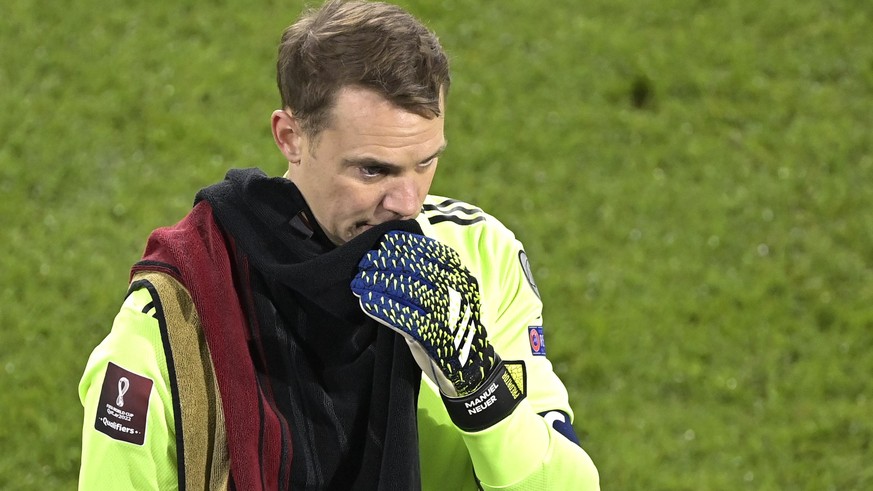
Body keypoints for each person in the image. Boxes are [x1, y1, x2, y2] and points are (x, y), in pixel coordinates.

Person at [77, 0, 600, 489]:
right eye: (374, 169)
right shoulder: (170, 325)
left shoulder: (483, 257)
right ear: (290, 137)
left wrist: (479, 386)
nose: (408, 203)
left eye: (426, 163)